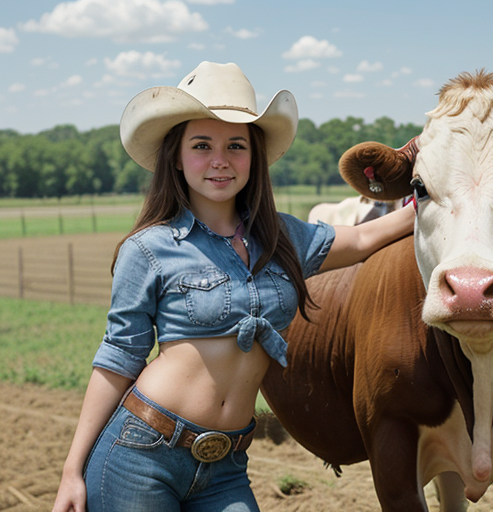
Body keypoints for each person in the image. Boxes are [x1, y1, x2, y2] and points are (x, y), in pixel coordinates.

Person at [52, 61, 415, 512]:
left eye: (236, 145)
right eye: (201, 145)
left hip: (225, 467)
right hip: (141, 454)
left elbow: (363, 238)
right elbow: (118, 357)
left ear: (253, 157)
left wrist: (440, 192)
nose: (220, 159)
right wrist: (72, 470)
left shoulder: (285, 239)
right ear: (177, 158)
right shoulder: (148, 249)